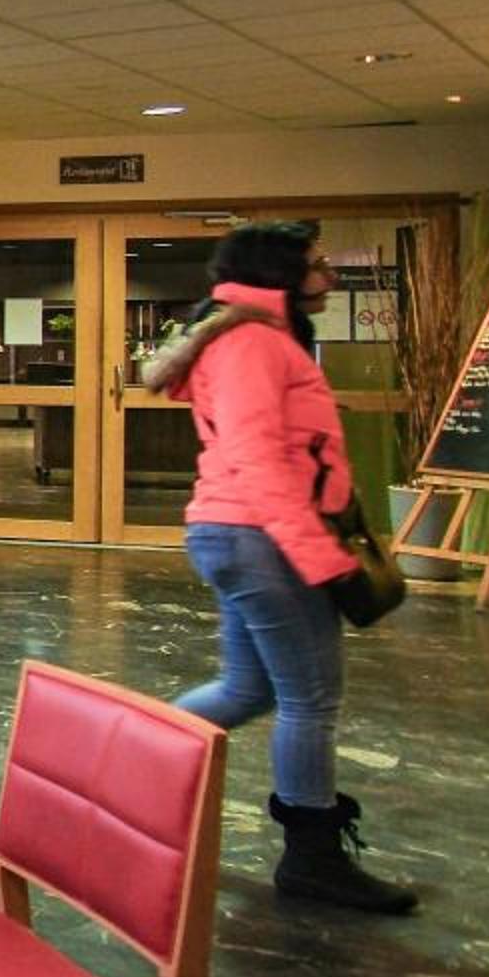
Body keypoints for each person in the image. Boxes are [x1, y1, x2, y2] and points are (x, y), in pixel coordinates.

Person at [148, 221, 416, 915]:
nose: (327, 276)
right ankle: (312, 857)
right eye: (316, 264)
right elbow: (258, 458)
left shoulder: (254, 336)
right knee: (311, 699)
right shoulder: (252, 343)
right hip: (262, 538)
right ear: (278, 273)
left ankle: (132, 766)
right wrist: (322, 558)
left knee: (248, 689)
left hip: (248, 535)